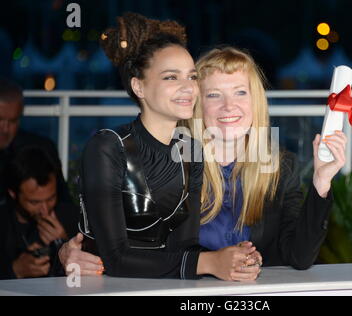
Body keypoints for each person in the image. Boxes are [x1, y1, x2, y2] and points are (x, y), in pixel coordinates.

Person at [59, 46, 346, 275]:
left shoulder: (281, 167)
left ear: (255, 102)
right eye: (213, 95)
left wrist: (321, 182)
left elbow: (299, 257)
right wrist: (73, 251)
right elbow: (128, 239)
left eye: (240, 92)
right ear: (197, 105)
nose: (229, 106)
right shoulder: (174, 159)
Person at [72, 13, 261, 281]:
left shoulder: (191, 151)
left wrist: (234, 258)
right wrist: (209, 262)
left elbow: (183, 248)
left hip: (162, 289)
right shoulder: (107, 147)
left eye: (192, 77)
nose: (187, 88)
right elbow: (115, 259)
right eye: (171, 78)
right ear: (139, 86)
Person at [0, 146, 79, 279]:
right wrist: (14, 270)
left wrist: (66, 246)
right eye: (34, 202)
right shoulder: (3, 223)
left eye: (51, 198)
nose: (45, 210)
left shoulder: (73, 217)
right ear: (13, 194)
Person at [0, 78, 72, 209]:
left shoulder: (41, 148)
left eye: (13, 121)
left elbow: (63, 202)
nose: (5, 128)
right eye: (0, 119)